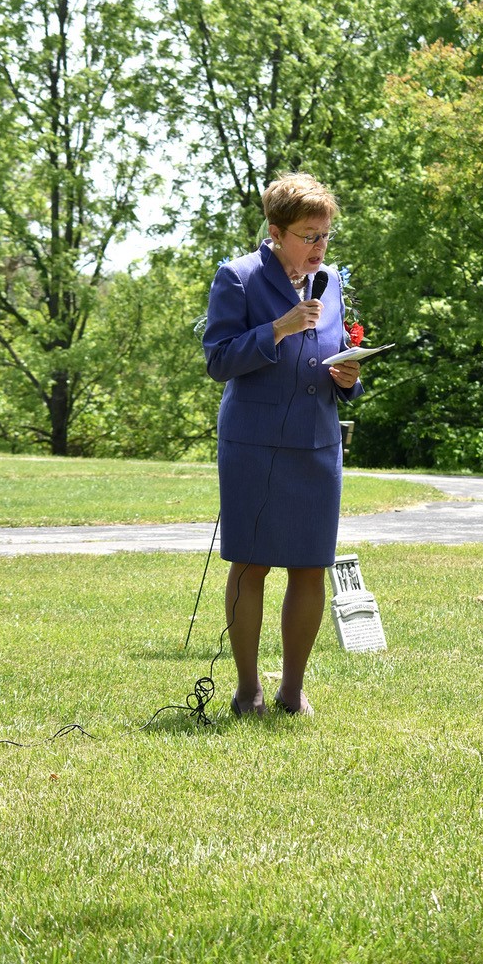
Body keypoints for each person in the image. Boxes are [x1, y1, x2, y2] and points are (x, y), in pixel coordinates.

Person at [202, 173, 363, 717]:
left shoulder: (333, 280)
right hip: (253, 443)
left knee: (310, 566)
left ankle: (292, 691)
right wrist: (279, 327)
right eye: (309, 236)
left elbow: (336, 350)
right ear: (276, 231)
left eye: (325, 236)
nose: (319, 248)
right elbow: (218, 359)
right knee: (251, 564)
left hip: (317, 444)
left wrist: (348, 377)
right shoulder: (239, 277)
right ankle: (247, 690)